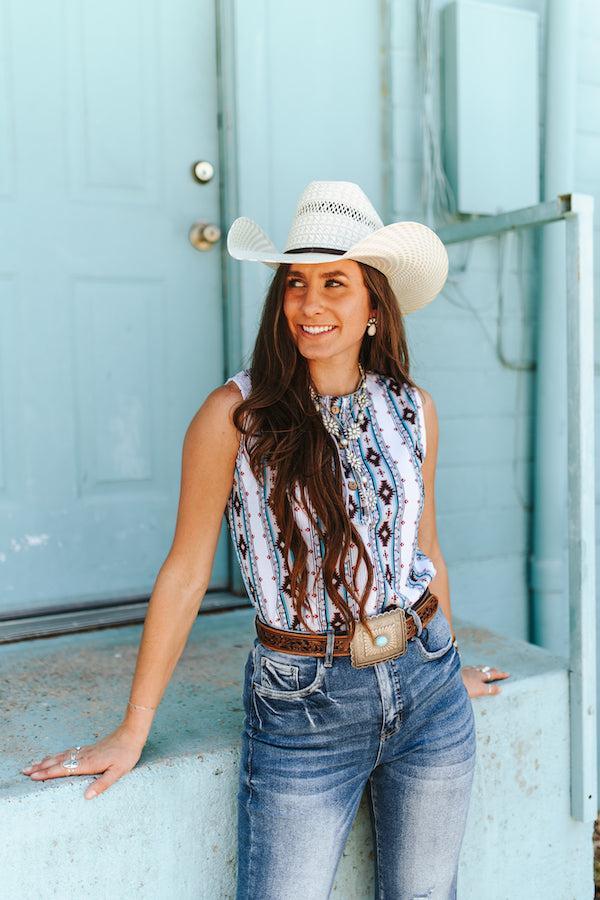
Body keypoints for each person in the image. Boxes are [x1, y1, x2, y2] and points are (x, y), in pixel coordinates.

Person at [22, 181, 509, 899]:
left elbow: (424, 550)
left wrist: (447, 664)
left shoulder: (414, 408)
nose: (310, 305)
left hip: (427, 685)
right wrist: (133, 728)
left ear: (374, 305)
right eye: (295, 284)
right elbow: (186, 572)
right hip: (304, 706)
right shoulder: (234, 416)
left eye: (335, 283)